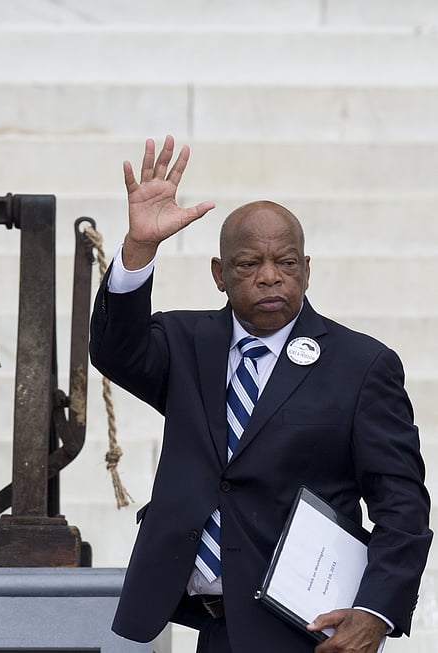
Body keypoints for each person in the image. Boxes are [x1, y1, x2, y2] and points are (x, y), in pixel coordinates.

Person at [89, 135, 432, 653]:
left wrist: (375, 612)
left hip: (311, 631)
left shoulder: (362, 367)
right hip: (214, 629)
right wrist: (140, 248)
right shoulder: (186, 345)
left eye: (287, 263)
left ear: (307, 269)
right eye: (249, 264)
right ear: (219, 275)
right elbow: (116, 350)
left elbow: (403, 506)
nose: (270, 277)